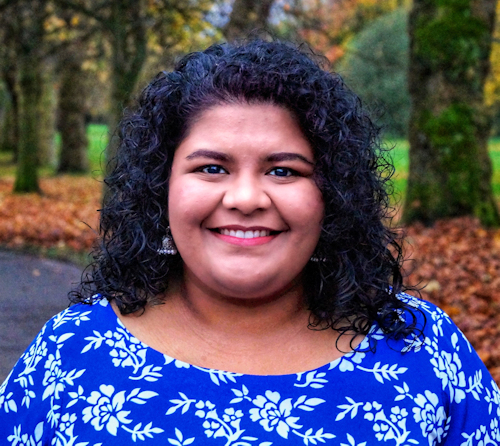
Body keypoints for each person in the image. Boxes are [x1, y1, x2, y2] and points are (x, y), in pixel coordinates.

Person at [0, 39, 499, 445]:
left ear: (333, 193)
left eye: (283, 170)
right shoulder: (72, 354)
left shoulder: (422, 351)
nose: (244, 198)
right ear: (161, 186)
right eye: (212, 168)